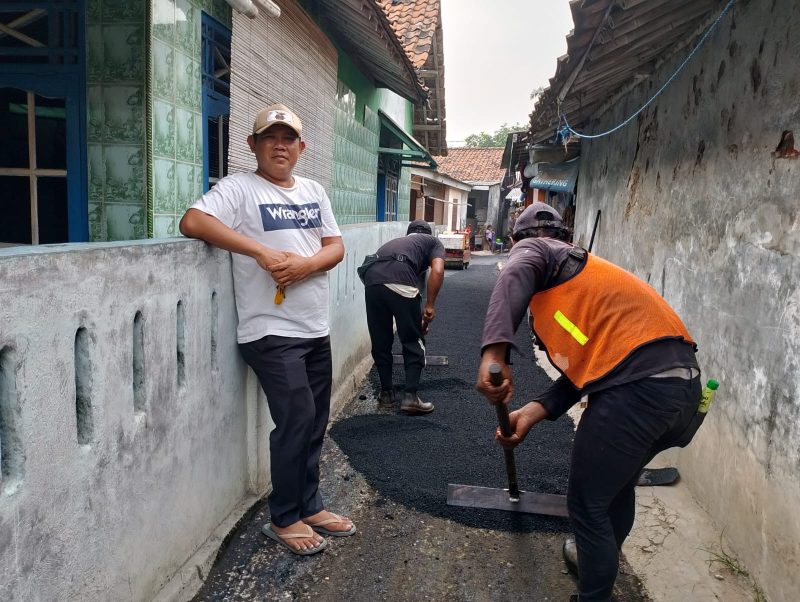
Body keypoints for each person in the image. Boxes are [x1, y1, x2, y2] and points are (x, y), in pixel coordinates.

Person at [475, 202, 702, 601]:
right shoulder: (583, 286)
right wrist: (530, 413)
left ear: (515, 243)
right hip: (682, 395)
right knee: (614, 491)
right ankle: (597, 562)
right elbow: (591, 369)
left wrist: (494, 352)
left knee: (586, 505)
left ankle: (594, 592)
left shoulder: (537, 250)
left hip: (638, 393)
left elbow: (519, 267)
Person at [179, 103, 354, 556]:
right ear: (252, 144)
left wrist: (305, 265)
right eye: (270, 138)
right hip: (269, 330)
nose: (280, 146)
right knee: (296, 418)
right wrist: (258, 251)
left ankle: (309, 504)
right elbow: (193, 221)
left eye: (288, 138)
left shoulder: (314, 191)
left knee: (314, 420)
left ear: (301, 147)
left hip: (314, 327)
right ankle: (283, 517)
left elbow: (334, 246)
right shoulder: (239, 188)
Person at [362, 220, 445, 414]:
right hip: (399, 276)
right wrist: (430, 306)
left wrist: (416, 320)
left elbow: (415, 288)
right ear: (428, 233)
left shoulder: (401, 243)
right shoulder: (433, 243)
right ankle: (410, 397)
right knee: (412, 341)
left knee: (381, 340)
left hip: (372, 279)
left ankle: (386, 395)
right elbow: (438, 270)